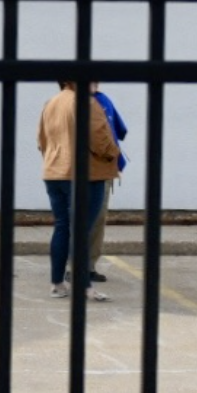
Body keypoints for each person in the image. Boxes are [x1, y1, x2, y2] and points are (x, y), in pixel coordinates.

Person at [37, 80, 121, 301]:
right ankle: (85, 286)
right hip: (85, 174)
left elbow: (42, 141)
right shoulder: (86, 103)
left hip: (54, 172)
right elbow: (99, 139)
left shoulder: (51, 103)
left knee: (62, 227)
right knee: (82, 231)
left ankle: (57, 284)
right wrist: (114, 153)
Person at [84, 87, 128, 283]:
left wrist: (115, 162)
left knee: (98, 218)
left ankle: (89, 265)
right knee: (83, 218)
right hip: (83, 169)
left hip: (102, 169)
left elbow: (116, 131)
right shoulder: (73, 102)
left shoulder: (104, 100)